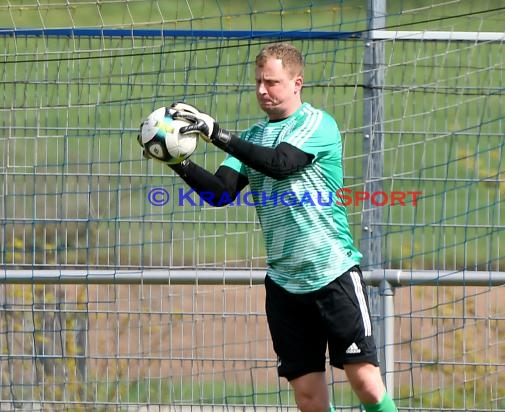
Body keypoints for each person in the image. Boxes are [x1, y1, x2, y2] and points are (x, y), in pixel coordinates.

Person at [139, 42, 398, 412]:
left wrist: (217, 134)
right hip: (284, 284)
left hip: (332, 272)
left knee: (367, 385)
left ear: (297, 83)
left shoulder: (318, 124)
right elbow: (221, 193)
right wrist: (175, 160)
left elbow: (280, 163)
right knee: (308, 398)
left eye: (272, 82)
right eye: (259, 81)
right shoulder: (255, 136)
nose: (263, 89)